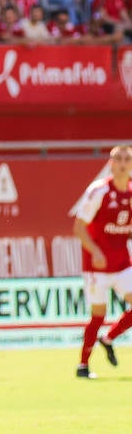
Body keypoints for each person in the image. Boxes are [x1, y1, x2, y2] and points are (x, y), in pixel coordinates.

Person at [72, 146, 132, 378]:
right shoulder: (99, 191)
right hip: (96, 266)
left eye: (127, 159)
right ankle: (83, 365)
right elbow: (78, 228)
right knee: (98, 315)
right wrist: (95, 251)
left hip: (121, 263)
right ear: (110, 164)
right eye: (118, 159)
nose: (123, 163)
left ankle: (108, 339)